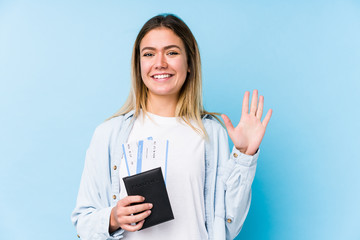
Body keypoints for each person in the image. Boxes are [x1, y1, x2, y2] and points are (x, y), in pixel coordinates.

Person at [71, 14, 272, 240]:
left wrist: (244, 157)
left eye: (172, 52)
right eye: (149, 54)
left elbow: (227, 226)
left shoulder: (210, 133)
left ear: (189, 64)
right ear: (138, 66)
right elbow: (83, 223)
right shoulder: (109, 134)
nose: (160, 63)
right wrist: (114, 218)